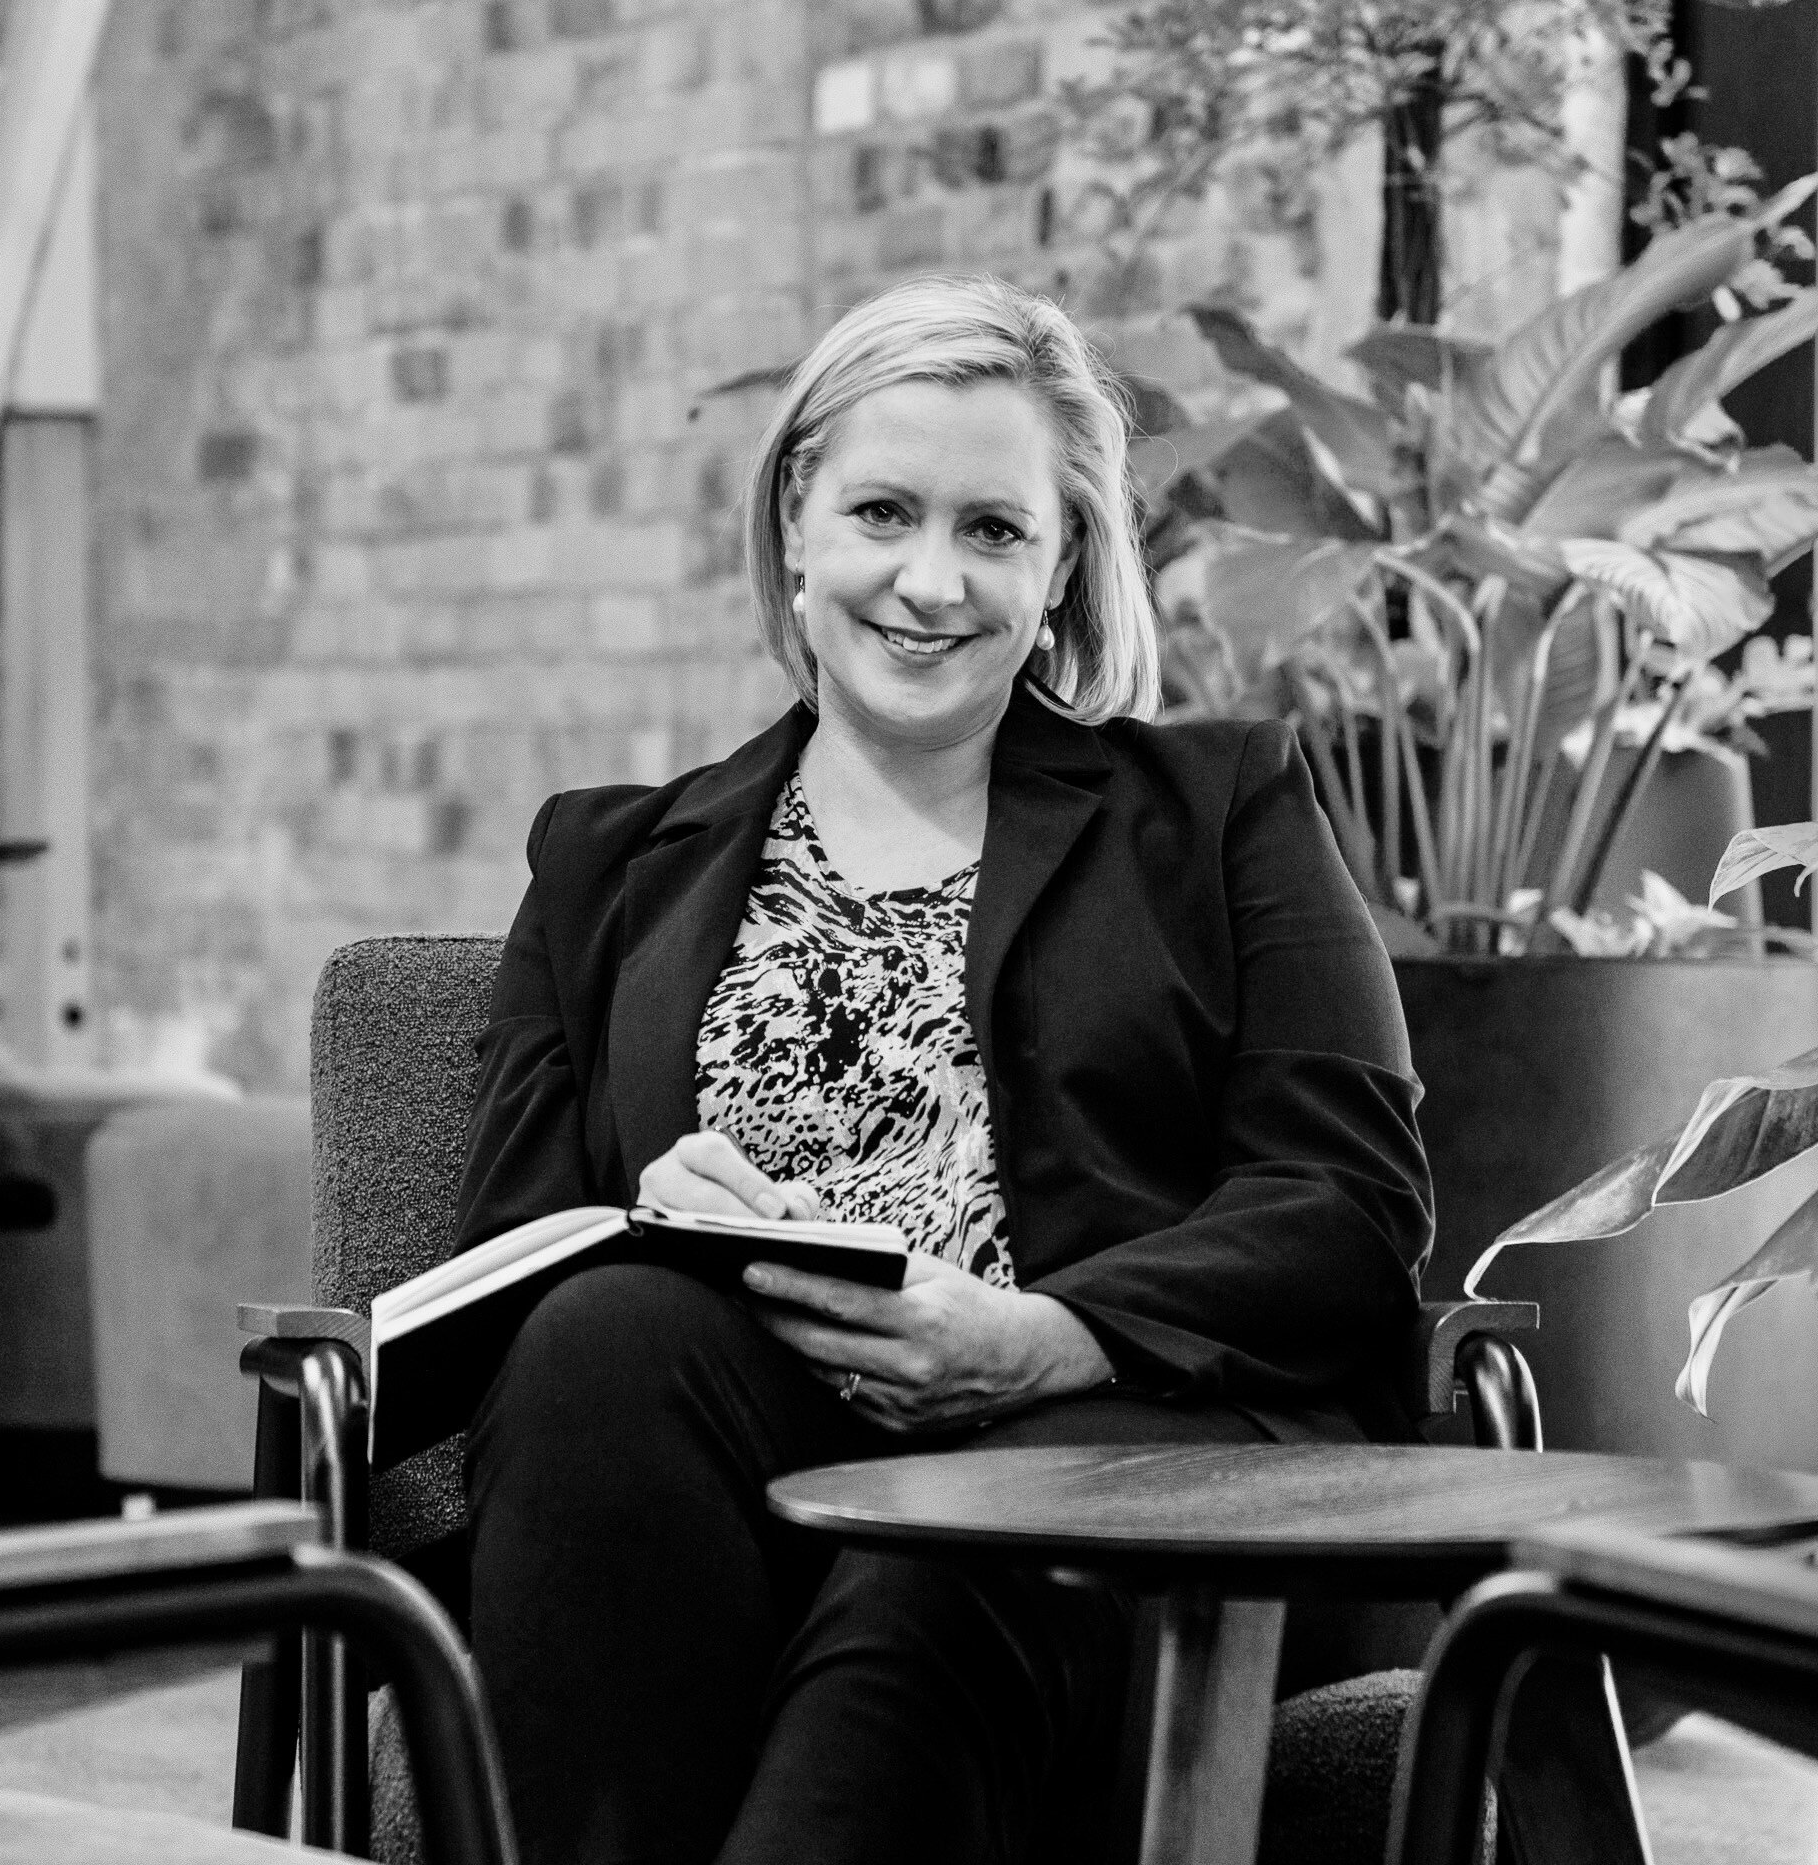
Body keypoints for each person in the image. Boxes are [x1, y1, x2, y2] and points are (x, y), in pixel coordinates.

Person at [453, 273, 1432, 1865]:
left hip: (1125, 1462)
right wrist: (650, 1216)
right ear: (793, 524)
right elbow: (499, 1275)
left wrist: (1048, 1340)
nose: (930, 581)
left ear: (1062, 572)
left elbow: (1349, 1204)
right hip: (727, 1486)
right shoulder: (607, 863)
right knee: (598, 1337)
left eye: (994, 530)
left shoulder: (1220, 807)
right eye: (884, 512)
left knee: (953, 1539)